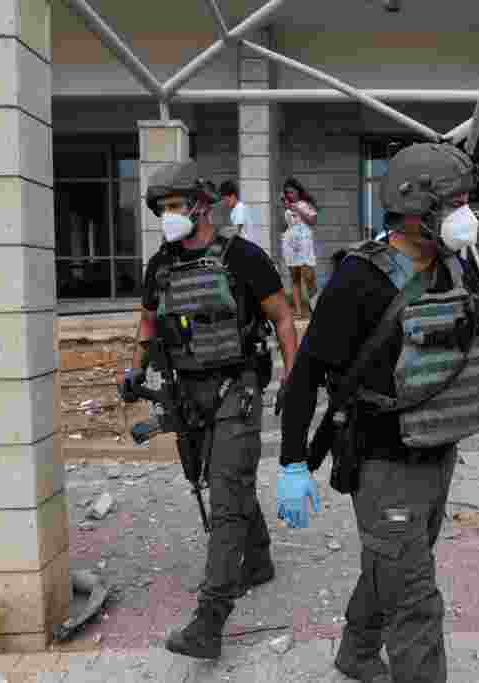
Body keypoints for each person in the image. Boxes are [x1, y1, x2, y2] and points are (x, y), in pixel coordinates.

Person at [277, 142, 479, 683]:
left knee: (393, 565)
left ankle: (356, 654)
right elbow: (307, 371)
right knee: (416, 599)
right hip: (382, 462)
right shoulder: (359, 279)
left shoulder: (450, 267)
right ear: (415, 207)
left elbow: (473, 343)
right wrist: (291, 464)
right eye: (456, 202)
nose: (467, 213)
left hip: (436, 452)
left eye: (467, 201)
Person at [116, 160, 298, 660]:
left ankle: (209, 620)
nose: (167, 216)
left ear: (200, 205)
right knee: (222, 480)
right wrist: (134, 370)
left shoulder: (244, 256)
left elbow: (283, 318)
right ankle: (256, 561)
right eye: (162, 208)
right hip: (187, 392)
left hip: (235, 388)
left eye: (175, 206)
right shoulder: (162, 264)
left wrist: (293, 379)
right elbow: (149, 322)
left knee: (224, 496)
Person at [280, 177, 320, 318]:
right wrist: (286, 208)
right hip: (291, 246)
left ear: (298, 191)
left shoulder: (304, 204)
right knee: (295, 278)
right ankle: (298, 311)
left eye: (291, 192)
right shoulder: (287, 209)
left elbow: (312, 221)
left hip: (304, 245)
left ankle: (316, 309)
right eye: (287, 193)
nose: (290, 195)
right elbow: (284, 227)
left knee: (309, 277)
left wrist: (297, 209)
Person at [219, 180, 255, 245]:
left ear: (232, 196)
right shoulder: (236, 209)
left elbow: (236, 230)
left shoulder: (240, 208)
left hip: (246, 246)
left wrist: (220, 231)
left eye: (225, 199)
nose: (225, 202)